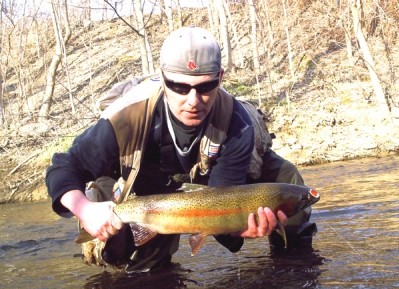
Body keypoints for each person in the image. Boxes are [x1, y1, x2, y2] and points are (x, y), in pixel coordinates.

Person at [46, 26, 316, 273]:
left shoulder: (237, 124)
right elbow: (63, 166)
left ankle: (294, 272)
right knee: (141, 267)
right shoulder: (126, 116)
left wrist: (239, 228)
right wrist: (85, 209)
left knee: (285, 177)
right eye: (179, 86)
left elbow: (220, 208)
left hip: (202, 189)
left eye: (206, 86)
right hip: (142, 189)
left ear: (220, 78)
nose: (193, 100)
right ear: (162, 79)